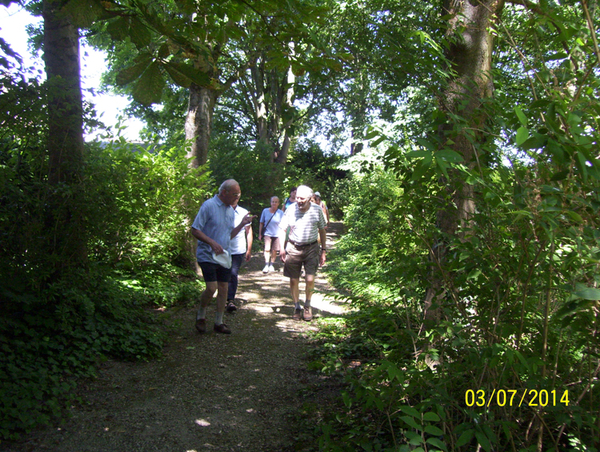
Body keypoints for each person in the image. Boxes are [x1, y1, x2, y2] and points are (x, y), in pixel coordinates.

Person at [191, 179, 254, 334]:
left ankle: (219, 322)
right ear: (224, 192)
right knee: (211, 288)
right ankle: (201, 315)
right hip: (207, 254)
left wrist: (242, 224)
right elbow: (195, 230)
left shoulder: (230, 210)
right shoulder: (208, 206)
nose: (237, 197)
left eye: (238, 194)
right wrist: (212, 242)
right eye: (234, 194)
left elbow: (229, 235)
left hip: (224, 256)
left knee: (224, 288)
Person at [278, 185, 327, 321]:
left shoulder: (317, 210)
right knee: (294, 279)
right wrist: (281, 248)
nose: (299, 200)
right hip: (293, 247)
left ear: (309, 198)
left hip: (311, 248)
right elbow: (282, 229)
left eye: (302, 198)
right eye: (297, 197)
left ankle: (308, 305)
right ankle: (296, 306)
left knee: (310, 278)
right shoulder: (290, 209)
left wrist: (323, 250)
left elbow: (322, 230)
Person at [226, 197, 253, 312]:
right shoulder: (222, 210)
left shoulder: (243, 212)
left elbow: (249, 231)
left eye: (236, 197)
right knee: (223, 273)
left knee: (233, 273)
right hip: (223, 248)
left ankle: (230, 299)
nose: (234, 199)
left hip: (238, 249)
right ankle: (222, 296)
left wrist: (249, 249)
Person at [258, 196, 284, 273]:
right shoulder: (265, 211)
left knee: (274, 250)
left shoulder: (280, 213)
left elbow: (283, 225)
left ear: (278, 203)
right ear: (270, 202)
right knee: (267, 249)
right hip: (267, 233)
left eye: (276, 202)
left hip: (277, 234)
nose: (274, 203)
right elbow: (261, 223)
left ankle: (271, 264)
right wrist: (260, 234)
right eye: (273, 201)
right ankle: (266, 264)